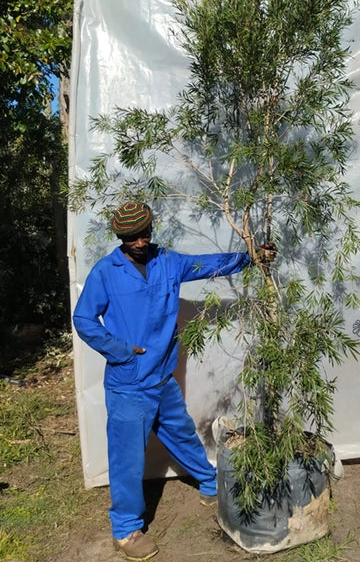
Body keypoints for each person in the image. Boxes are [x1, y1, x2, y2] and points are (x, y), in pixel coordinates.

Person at [73, 201, 273, 561]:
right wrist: (120, 349)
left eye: (145, 233)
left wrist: (251, 257)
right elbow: (84, 320)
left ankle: (209, 481)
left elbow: (208, 264)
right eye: (132, 237)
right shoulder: (107, 272)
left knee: (179, 432)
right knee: (128, 460)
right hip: (128, 383)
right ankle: (126, 529)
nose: (140, 241)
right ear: (121, 238)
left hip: (162, 376)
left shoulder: (167, 261)